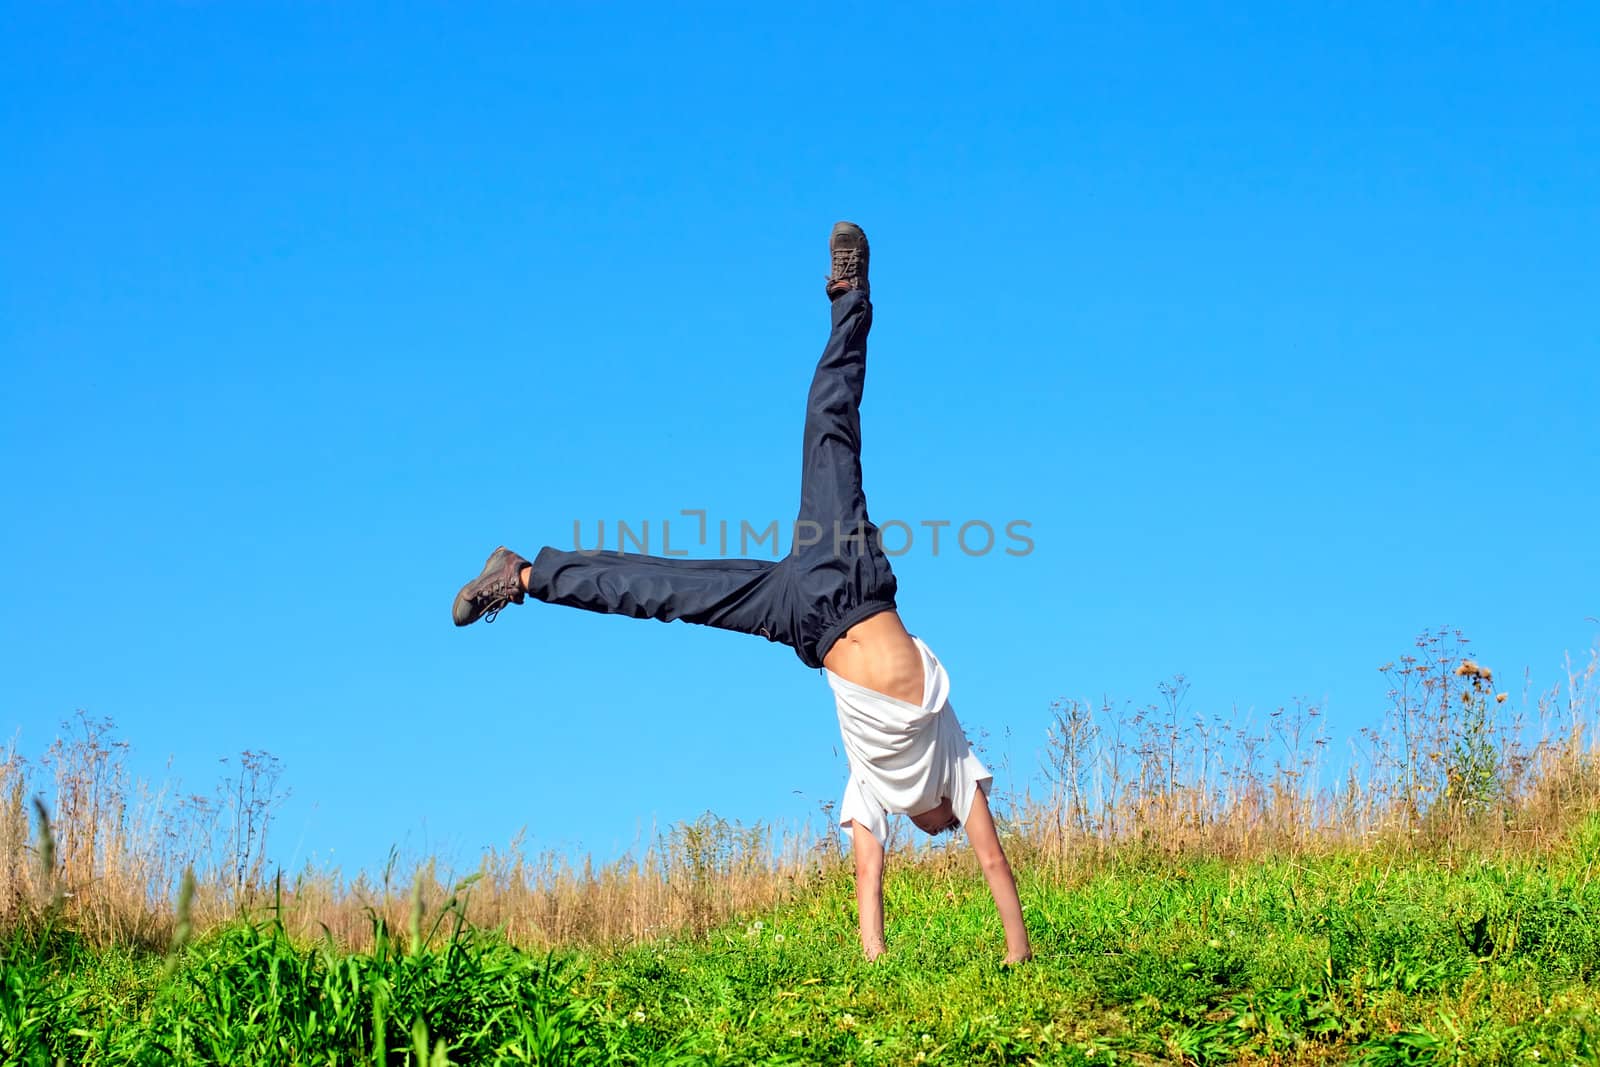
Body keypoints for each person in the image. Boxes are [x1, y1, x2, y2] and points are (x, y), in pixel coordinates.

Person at [451, 222, 1032, 964]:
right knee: (830, 427)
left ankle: (523, 575)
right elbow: (993, 864)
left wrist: (875, 961)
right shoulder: (958, 765)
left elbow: (868, 882)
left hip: (804, 620)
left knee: (663, 589)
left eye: (940, 833)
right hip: (848, 578)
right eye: (948, 827)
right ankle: (851, 295)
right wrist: (1017, 955)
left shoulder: (871, 794)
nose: (943, 833)